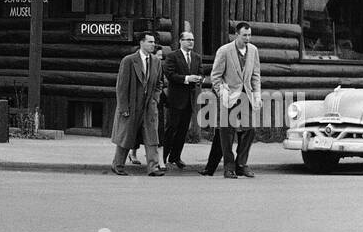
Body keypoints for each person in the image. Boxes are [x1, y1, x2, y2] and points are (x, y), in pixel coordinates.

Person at [203, 20, 261, 179]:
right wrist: (222, 93)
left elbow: (255, 75)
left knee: (250, 130)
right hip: (229, 97)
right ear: (236, 35)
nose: (247, 38)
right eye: (244, 35)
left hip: (246, 97)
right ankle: (229, 167)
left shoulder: (253, 50)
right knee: (227, 133)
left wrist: (257, 95)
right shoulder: (225, 51)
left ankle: (241, 164)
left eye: (249, 35)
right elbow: (215, 76)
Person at [110, 30, 164, 176]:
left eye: (154, 42)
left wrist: (154, 99)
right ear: (141, 42)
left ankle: (153, 167)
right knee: (126, 136)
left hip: (148, 105)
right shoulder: (129, 60)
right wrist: (123, 107)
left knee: (151, 136)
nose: (153, 44)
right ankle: (118, 165)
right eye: (150, 42)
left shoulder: (156, 62)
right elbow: (121, 86)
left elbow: (159, 83)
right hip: (132, 104)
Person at [163, 29, 203, 170]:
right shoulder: (173, 56)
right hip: (176, 99)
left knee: (182, 131)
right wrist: (186, 78)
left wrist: (198, 79)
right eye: (188, 40)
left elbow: (200, 72)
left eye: (192, 40)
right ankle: (164, 157)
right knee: (171, 129)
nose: (191, 42)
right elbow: (170, 74)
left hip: (189, 100)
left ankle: (176, 156)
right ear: (181, 41)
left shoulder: (196, 57)